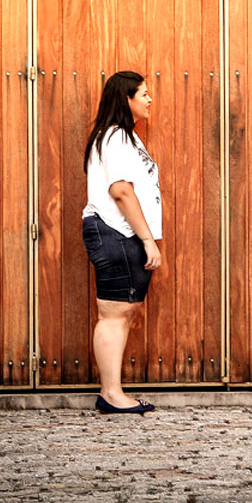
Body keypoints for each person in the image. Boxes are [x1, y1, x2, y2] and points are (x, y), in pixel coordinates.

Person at [82, 71, 163, 415]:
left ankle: (112, 392)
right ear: (126, 99)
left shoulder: (125, 137)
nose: (148, 99)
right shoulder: (115, 137)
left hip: (119, 232)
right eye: (143, 93)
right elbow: (121, 190)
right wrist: (147, 239)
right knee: (114, 314)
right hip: (117, 231)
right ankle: (111, 394)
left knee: (122, 312)